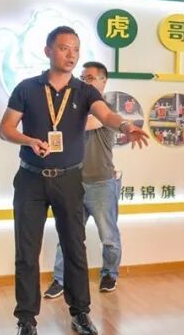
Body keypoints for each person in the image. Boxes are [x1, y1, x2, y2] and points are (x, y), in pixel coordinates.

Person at [0, 26, 149, 335]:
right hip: (30, 179)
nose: (71, 55)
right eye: (64, 48)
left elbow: (106, 115)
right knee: (26, 252)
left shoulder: (84, 91)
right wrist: (28, 140)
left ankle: (80, 313)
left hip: (69, 179)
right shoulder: (27, 88)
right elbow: (5, 128)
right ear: (48, 50)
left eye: (76, 50)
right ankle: (26, 322)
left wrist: (126, 126)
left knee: (74, 248)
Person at [44, 62, 124, 299]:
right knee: (68, 236)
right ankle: (60, 279)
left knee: (108, 236)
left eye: (89, 78)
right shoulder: (73, 106)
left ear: (103, 81)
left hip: (101, 183)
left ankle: (109, 273)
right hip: (73, 182)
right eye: (82, 77)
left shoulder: (106, 110)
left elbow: (87, 123)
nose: (84, 82)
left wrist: (57, 121)